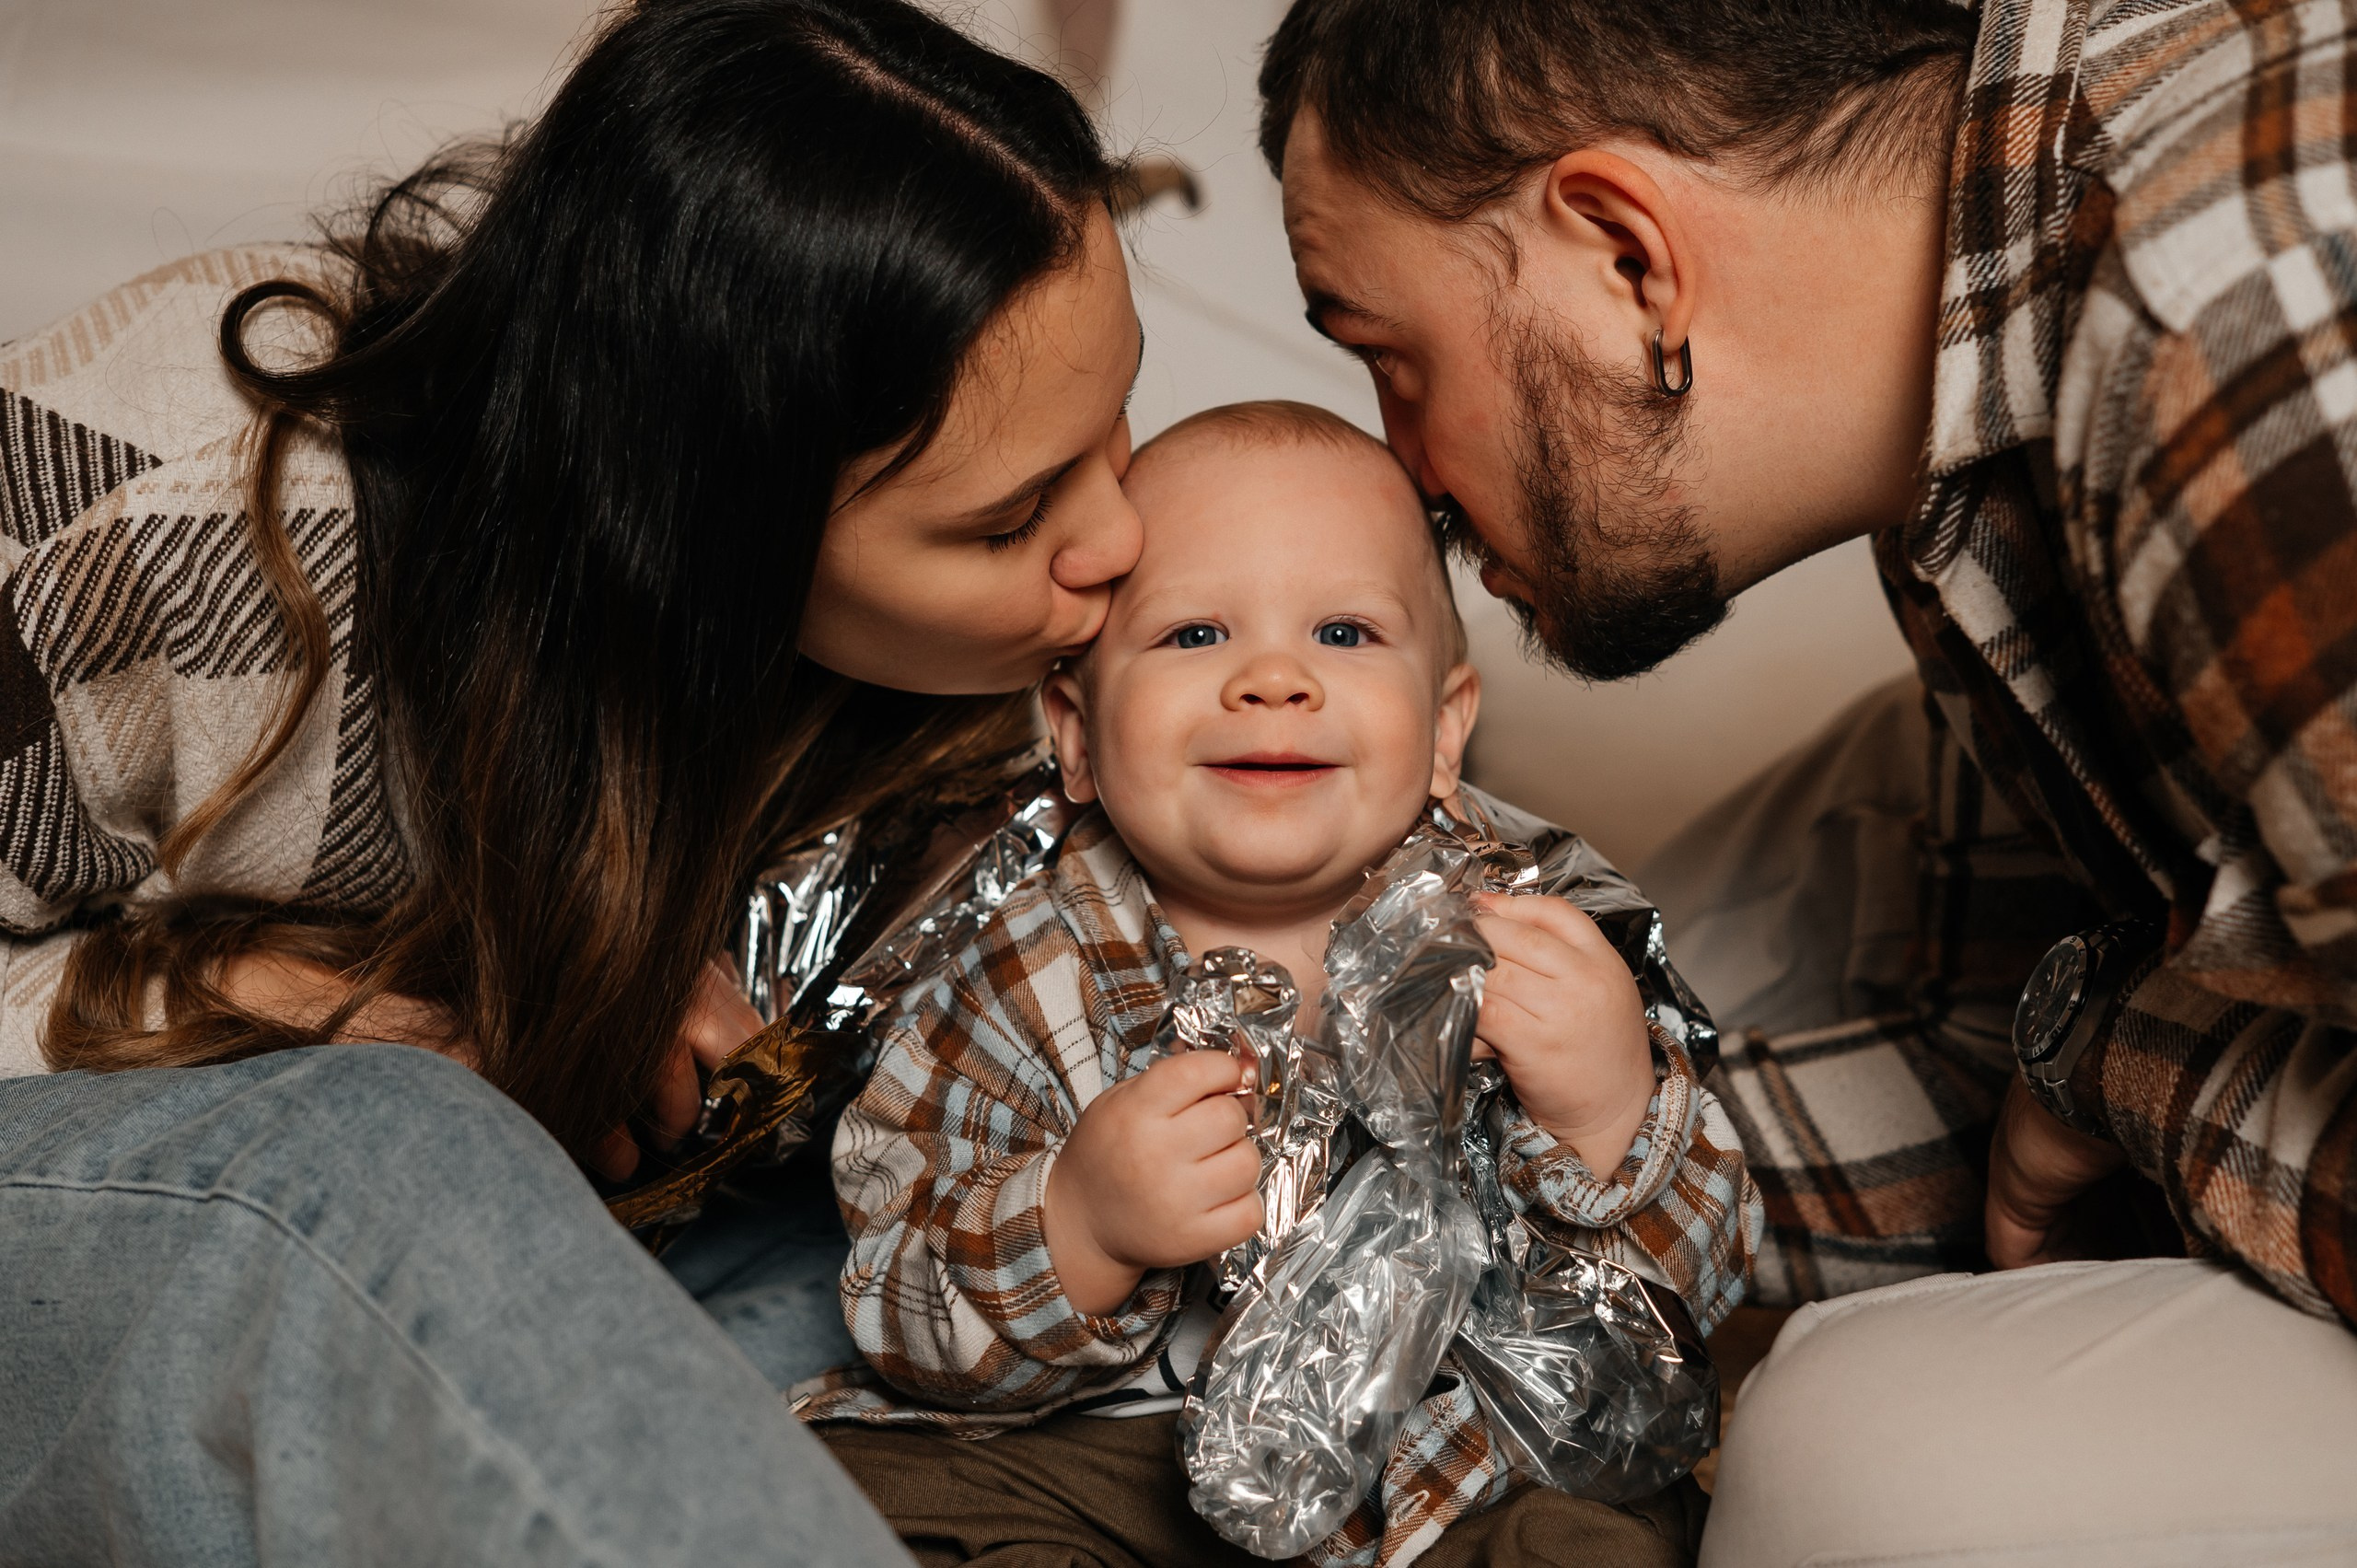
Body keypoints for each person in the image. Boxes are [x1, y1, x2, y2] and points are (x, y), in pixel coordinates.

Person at [0, 1, 1152, 1561]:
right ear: (697, 526)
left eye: (1122, 423)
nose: (1121, 540)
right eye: (1011, 522)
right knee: (397, 1147)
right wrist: (315, 1004)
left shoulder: (971, 681)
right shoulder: (161, 500)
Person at [1256, 0, 2357, 1562]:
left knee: (1865, 1454)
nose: (1403, 481)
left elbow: (2072, 1048)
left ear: (1630, 257)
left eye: (1391, 357)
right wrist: (1561, 1166)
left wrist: (2117, 1062)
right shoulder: (1957, 459)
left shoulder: (2230, 323)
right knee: (1669, 928)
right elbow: (1998, 1030)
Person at [804, 402, 1756, 1568]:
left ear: (1446, 731)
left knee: (1609, 1530)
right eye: (1195, 632)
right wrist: (1076, 1221)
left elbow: (1701, 1285)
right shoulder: (1018, 970)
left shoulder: (1538, 932)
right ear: (1078, 732)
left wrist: (1608, 1114)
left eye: (1345, 633)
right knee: (859, 1489)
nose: (1270, 679)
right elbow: (893, 1292)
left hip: (1448, 1453)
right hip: (1107, 1459)